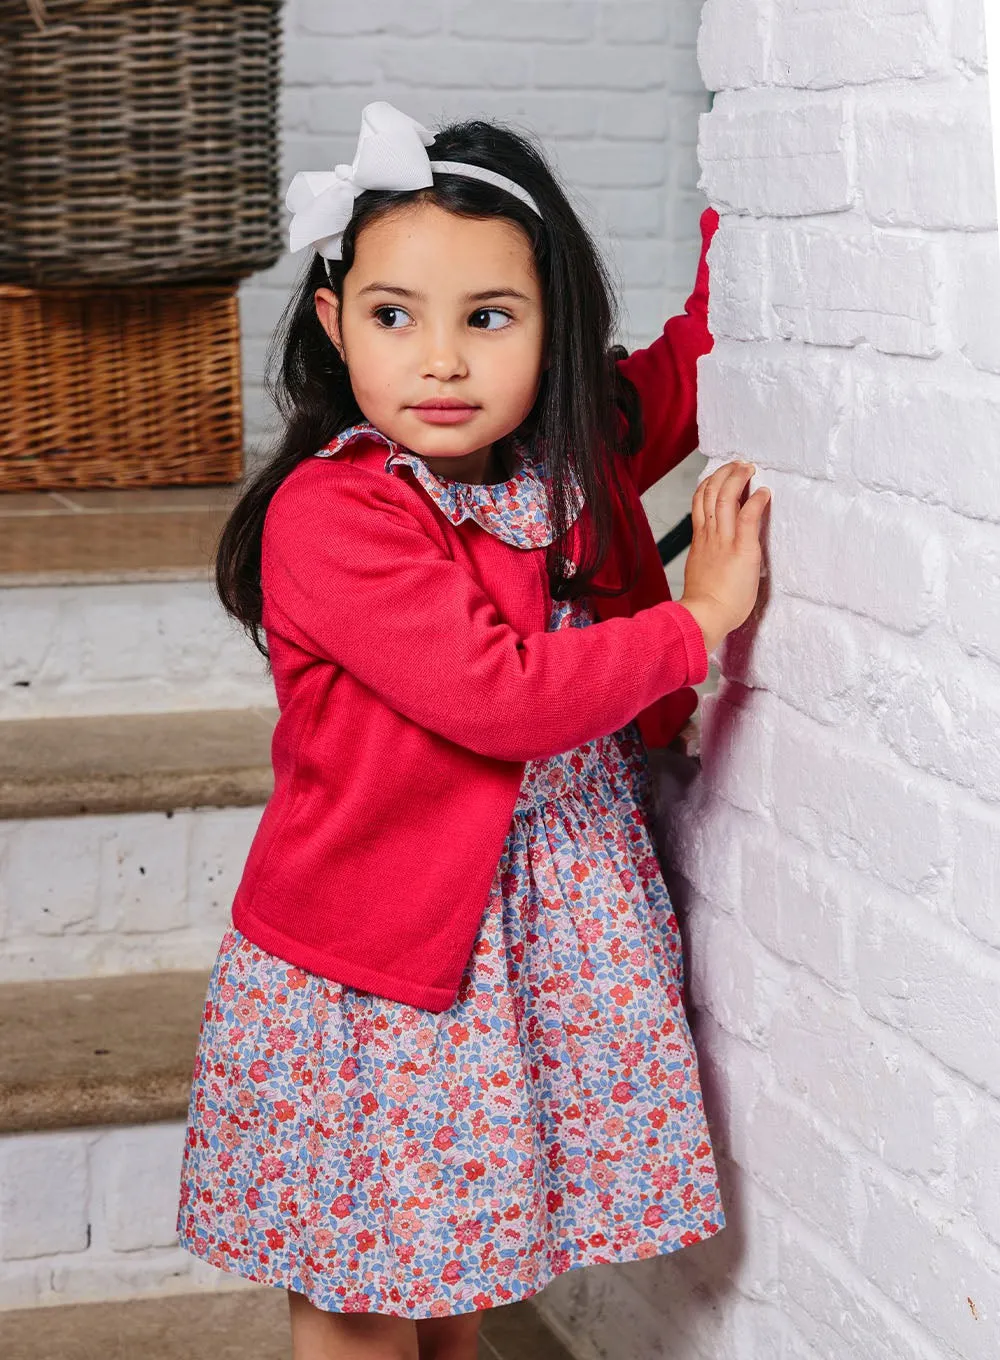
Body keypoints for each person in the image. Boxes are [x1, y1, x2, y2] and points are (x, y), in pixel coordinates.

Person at [177, 101, 770, 1360]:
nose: (440, 362)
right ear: (337, 328)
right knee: (360, 1294)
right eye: (396, 315)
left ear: (551, 329)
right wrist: (697, 618)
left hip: (523, 951)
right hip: (378, 967)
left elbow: (711, 343)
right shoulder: (335, 515)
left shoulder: (571, 449)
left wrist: (753, 160)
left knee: (461, 1269)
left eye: (487, 317)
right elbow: (496, 694)